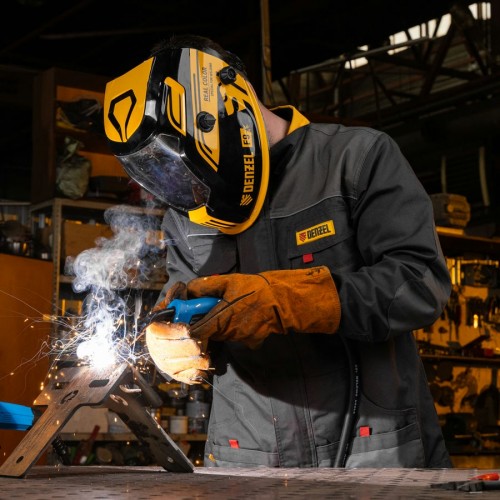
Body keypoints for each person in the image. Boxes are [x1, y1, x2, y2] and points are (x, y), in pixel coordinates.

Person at [103, 34, 452, 468]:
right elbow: (182, 304)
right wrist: (171, 340)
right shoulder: (188, 213)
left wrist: (288, 300)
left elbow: (420, 284)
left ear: (230, 102)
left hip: (371, 453)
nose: (191, 189)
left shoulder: (356, 158)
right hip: (248, 462)